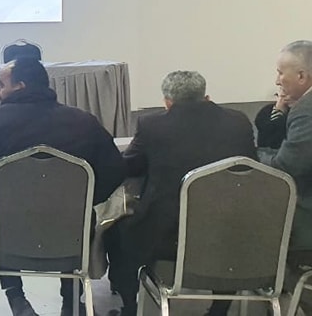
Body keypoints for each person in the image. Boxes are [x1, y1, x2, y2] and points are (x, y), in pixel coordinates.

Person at [0, 57, 125, 316]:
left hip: (10, 234)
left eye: (1, 84)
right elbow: (115, 171)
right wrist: (82, 201)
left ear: (20, 86)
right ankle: (71, 302)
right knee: (73, 221)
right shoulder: (84, 123)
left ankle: (17, 299)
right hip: (73, 235)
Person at [107, 71, 257, 316]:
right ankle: (219, 309)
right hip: (227, 233)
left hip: (166, 237)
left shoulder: (152, 125)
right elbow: (251, 166)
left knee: (116, 230)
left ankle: (129, 307)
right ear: (206, 97)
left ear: (168, 102)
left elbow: (130, 166)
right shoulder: (238, 122)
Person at [259, 41, 312, 293]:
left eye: (281, 73)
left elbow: (287, 167)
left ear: (301, 76)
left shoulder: (306, 110)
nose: (277, 80)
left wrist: (255, 155)